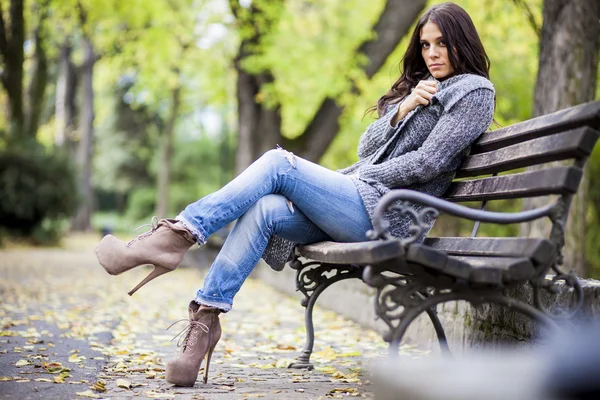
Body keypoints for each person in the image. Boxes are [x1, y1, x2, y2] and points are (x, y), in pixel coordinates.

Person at [95, 1, 495, 387]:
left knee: (278, 164)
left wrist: (362, 179)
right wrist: (404, 108)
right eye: (425, 45)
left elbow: (429, 163)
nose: (432, 53)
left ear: (463, 41)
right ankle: (205, 320)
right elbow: (366, 146)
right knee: (266, 207)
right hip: (364, 202)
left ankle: (176, 236)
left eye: (442, 42)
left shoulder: (473, 91)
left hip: (390, 218)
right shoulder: (421, 88)